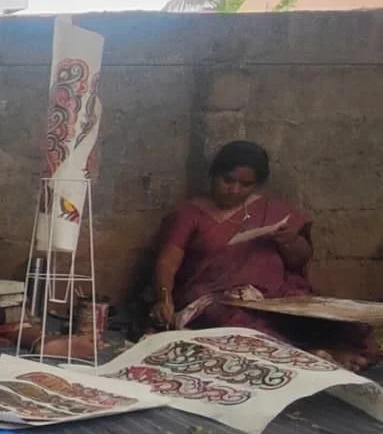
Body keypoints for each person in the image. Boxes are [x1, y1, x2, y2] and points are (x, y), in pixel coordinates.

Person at [151, 140, 372, 367]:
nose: (234, 189)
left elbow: (299, 260)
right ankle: (307, 357)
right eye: (227, 180)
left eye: (245, 184)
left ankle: (331, 352)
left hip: (273, 295)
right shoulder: (190, 213)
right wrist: (163, 297)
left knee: (333, 321)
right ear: (213, 175)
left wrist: (290, 241)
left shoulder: (273, 211)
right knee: (240, 327)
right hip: (216, 297)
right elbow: (168, 261)